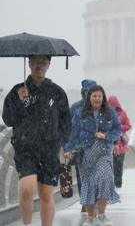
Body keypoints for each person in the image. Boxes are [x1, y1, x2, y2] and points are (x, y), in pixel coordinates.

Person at [2, 55, 71, 226]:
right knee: (27, 189)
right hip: (25, 148)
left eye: (43, 62)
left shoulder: (57, 92)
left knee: (46, 193)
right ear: (29, 63)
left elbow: (66, 121)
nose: (39, 66)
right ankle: (26, 224)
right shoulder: (18, 90)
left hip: (49, 149)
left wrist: (63, 143)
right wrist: (19, 100)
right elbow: (8, 119)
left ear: (49, 64)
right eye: (35, 62)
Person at [64, 85, 121, 226]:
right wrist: (68, 149)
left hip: (104, 152)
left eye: (99, 96)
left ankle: (102, 215)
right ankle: (90, 218)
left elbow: (117, 130)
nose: (97, 98)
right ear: (89, 98)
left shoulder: (110, 112)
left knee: (105, 179)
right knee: (88, 183)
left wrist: (106, 135)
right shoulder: (80, 113)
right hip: (86, 152)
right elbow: (73, 133)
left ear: (103, 98)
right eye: (94, 96)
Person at [70, 79, 97, 216]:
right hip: (80, 147)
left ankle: (94, 203)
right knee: (82, 177)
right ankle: (85, 203)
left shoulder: (101, 107)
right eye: (87, 92)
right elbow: (69, 128)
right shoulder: (75, 108)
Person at [108, 95, 131, 189]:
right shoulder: (106, 114)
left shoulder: (122, 113)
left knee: (119, 165)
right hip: (110, 144)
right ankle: (111, 184)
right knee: (110, 165)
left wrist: (119, 127)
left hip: (121, 144)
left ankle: (118, 183)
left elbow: (128, 125)